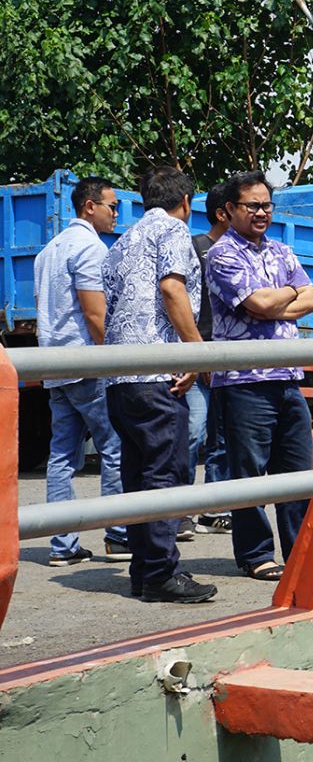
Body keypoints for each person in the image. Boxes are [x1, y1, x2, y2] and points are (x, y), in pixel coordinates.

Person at [102, 166, 217, 603]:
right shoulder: (172, 230)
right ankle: (161, 574)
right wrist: (196, 352)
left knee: (138, 477)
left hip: (121, 377)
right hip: (156, 376)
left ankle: (145, 572)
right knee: (163, 475)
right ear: (185, 202)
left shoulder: (121, 241)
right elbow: (172, 290)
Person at [206, 171, 313, 581]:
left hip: (288, 376)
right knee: (249, 473)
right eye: (252, 205)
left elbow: (311, 298)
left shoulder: (282, 251)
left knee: (299, 472)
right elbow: (256, 302)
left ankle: (301, 551)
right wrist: (284, 294)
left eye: (266, 205)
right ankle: (256, 555)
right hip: (244, 380)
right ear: (229, 210)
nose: (261, 212)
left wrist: (277, 299)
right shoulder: (221, 255)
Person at [33, 176, 129, 566]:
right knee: (115, 448)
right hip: (89, 365)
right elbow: (95, 313)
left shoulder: (48, 252)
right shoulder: (90, 248)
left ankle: (63, 546)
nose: (116, 214)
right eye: (111, 206)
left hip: (56, 365)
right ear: (89, 206)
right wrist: (117, 360)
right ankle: (118, 537)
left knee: (61, 457)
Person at [185, 182, 233, 535]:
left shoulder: (240, 252)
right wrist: (200, 355)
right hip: (199, 353)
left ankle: (214, 511)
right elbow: (185, 306)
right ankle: (181, 508)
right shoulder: (196, 248)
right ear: (222, 213)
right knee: (192, 432)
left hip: (226, 357)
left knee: (221, 438)